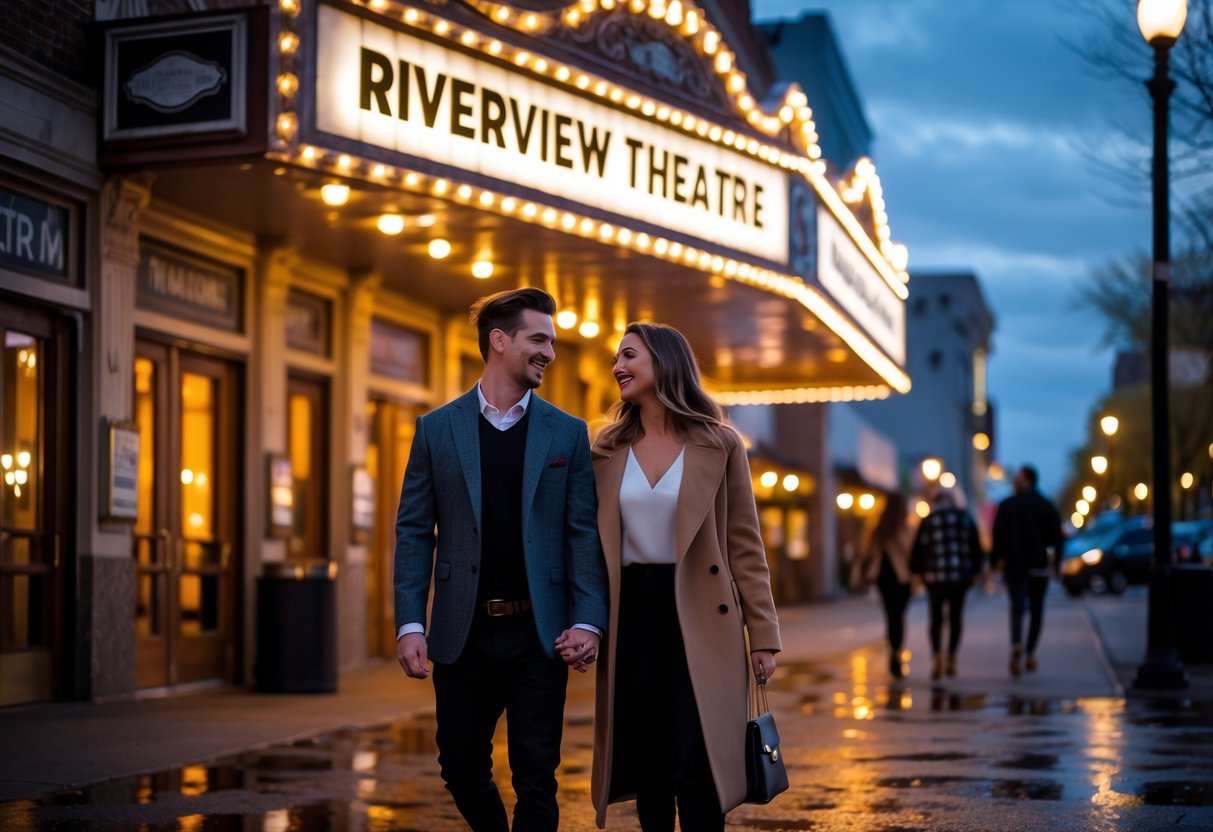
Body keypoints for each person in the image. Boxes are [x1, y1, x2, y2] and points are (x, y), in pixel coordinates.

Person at [393, 287, 609, 832]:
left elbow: (581, 532)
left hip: (540, 634)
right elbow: (415, 531)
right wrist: (410, 622)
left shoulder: (567, 433)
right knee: (460, 767)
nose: (549, 353)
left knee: (537, 776)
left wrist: (588, 618)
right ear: (499, 341)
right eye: (538, 340)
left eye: (552, 342)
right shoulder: (436, 429)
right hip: (461, 632)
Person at [581, 322, 782, 832]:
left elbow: (744, 544)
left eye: (629, 355)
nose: (617, 367)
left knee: (697, 763)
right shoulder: (604, 449)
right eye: (616, 358)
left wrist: (763, 635)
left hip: (702, 613)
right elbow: (583, 544)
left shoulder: (720, 444)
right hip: (632, 614)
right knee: (649, 764)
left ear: (665, 362)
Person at [990, 465, 1064, 677]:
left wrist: (995, 562)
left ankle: (1016, 643)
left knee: (1017, 607)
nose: (1014, 480)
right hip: (1039, 566)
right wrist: (1056, 563)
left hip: (1015, 566)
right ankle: (1030, 652)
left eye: (1017, 477)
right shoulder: (1046, 506)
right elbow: (1056, 537)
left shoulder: (1007, 505)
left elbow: (998, 536)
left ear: (1026, 479)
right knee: (1037, 610)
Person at [910, 486, 985, 682]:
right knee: (955, 618)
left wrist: (917, 573)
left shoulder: (928, 521)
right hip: (959, 577)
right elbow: (976, 547)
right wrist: (976, 572)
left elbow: (917, 550)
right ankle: (952, 657)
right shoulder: (965, 518)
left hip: (935, 578)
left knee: (935, 619)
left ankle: (937, 655)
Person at [853, 493, 916, 679]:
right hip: (902, 578)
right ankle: (896, 653)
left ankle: (894, 651)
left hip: (883, 577)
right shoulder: (903, 527)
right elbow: (909, 550)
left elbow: (865, 549)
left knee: (891, 616)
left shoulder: (878, 526)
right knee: (899, 616)